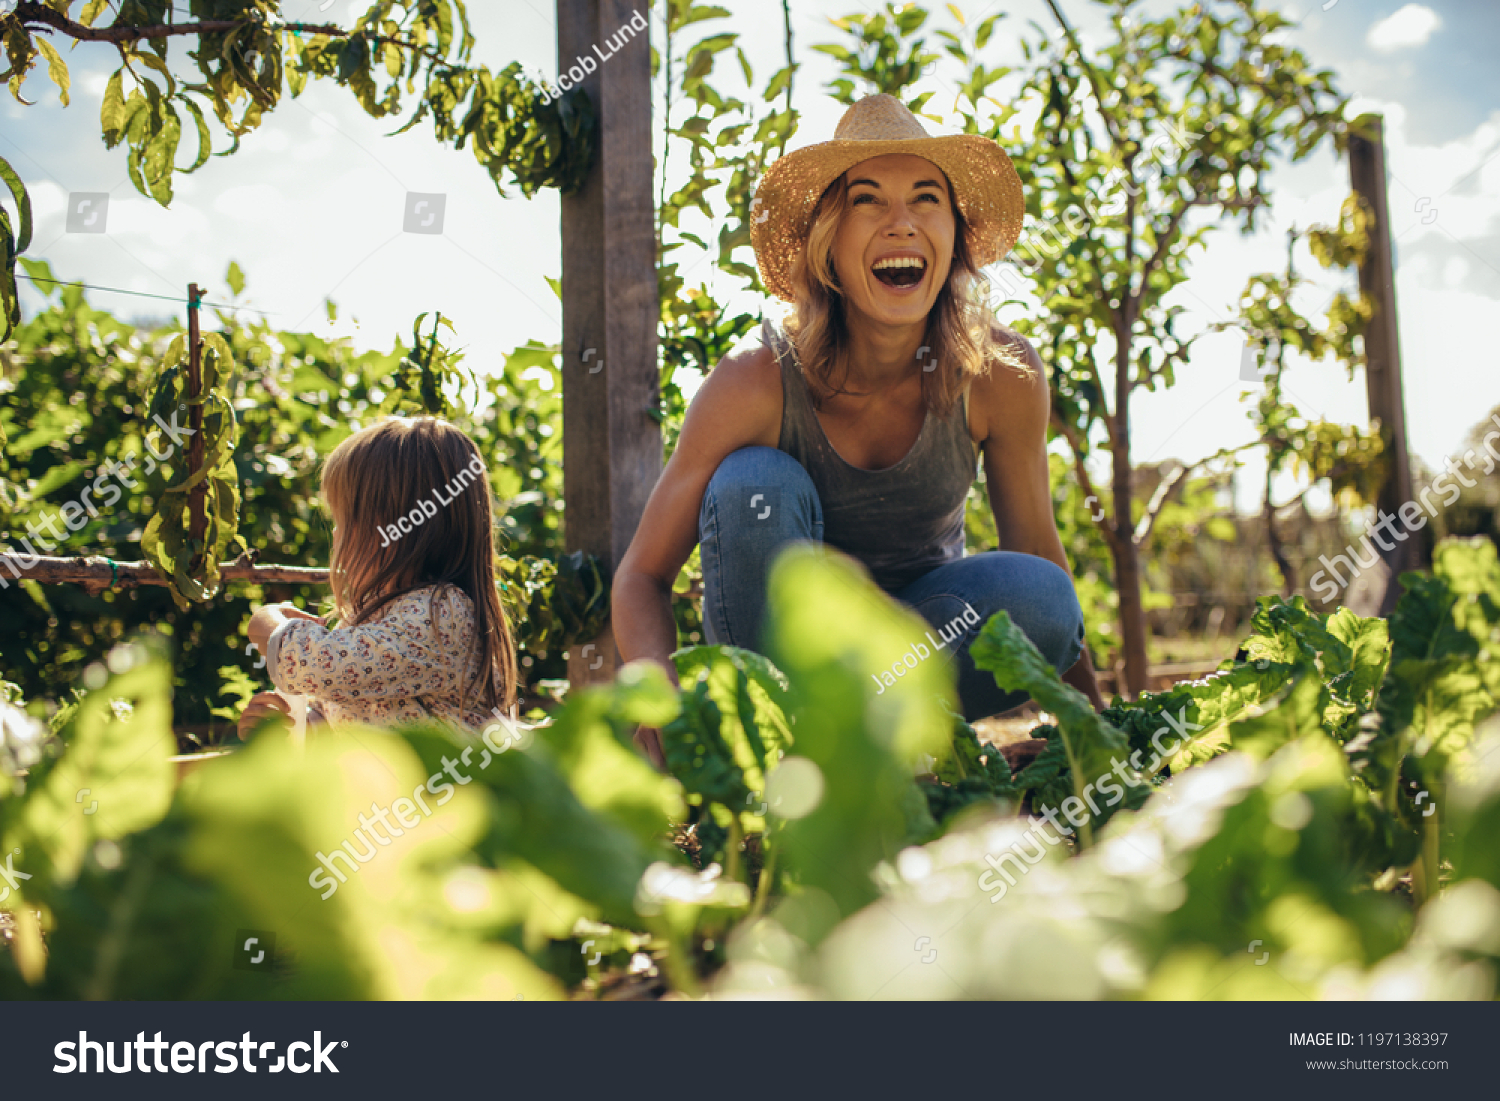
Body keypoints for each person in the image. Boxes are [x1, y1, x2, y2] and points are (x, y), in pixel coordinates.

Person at [612, 94, 1104, 769]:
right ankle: (781, 757)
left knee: (1045, 596)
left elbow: (1039, 550)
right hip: (777, 660)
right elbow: (640, 574)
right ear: (828, 246)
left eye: (926, 198)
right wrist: (653, 679)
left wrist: (1099, 731)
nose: (901, 222)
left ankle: (874, 746)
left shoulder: (1001, 374)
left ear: (953, 238)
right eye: (868, 201)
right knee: (754, 482)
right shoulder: (753, 383)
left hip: (922, 642)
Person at [238, 416, 518, 739]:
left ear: (395, 530)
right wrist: (294, 726)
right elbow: (353, 709)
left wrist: (267, 624)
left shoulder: (440, 614)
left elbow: (322, 666)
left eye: (343, 519)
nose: (337, 533)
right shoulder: (373, 614)